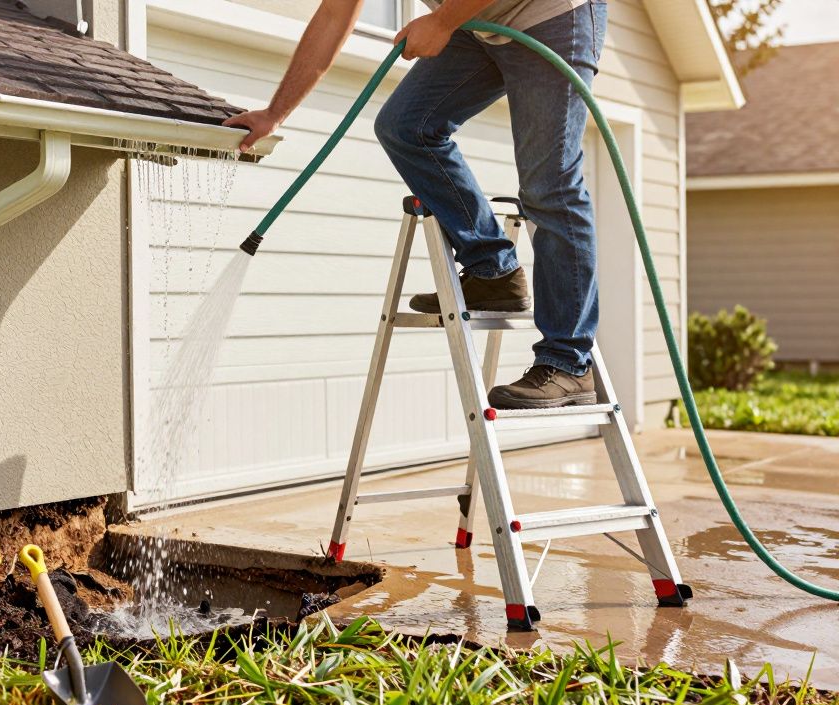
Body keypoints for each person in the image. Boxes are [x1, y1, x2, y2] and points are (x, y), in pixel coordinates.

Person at [225, 0, 608, 410]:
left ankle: (568, 362)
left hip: (551, 15)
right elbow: (335, 14)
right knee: (407, 127)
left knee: (549, 187)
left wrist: (442, 20)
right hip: (479, 22)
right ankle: (492, 271)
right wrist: (275, 113)